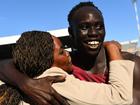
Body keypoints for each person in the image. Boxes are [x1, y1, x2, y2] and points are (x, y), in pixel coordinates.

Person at [0, 1, 139, 105]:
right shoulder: (61, 68)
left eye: (99, 26)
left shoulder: (131, 64)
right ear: (71, 32)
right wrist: (25, 83)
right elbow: (5, 64)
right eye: (84, 27)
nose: (93, 33)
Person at [0, 30, 134, 105]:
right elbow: (120, 97)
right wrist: (112, 48)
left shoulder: (18, 80)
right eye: (61, 51)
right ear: (46, 61)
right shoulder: (54, 82)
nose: (67, 53)